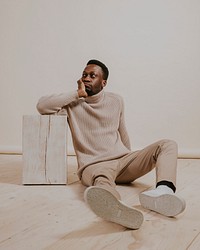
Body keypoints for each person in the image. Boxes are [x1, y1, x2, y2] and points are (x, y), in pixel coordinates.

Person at [37, 59, 186, 229]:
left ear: (103, 82)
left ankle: (163, 191)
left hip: (122, 161)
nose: (86, 78)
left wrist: (129, 158)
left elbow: (122, 132)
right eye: (84, 75)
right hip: (93, 165)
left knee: (167, 144)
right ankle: (116, 208)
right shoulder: (71, 104)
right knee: (102, 178)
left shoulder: (116, 100)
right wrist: (77, 94)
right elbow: (42, 106)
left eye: (92, 75)